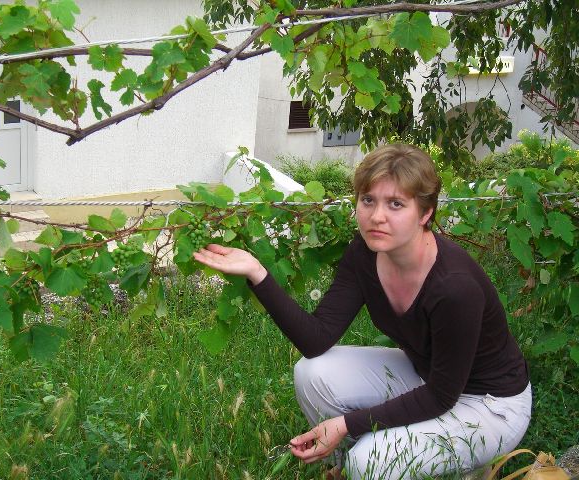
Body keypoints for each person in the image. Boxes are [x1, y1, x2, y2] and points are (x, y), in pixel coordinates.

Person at [193, 143, 531, 479]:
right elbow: (316, 339)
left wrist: (345, 424)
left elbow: (441, 396)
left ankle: (444, 465)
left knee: (369, 460)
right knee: (312, 372)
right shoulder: (365, 255)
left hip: (489, 405)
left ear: (425, 213)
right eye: (368, 200)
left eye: (395, 204)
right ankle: (349, 466)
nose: (376, 216)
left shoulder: (454, 287)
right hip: (427, 376)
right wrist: (257, 273)